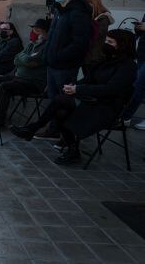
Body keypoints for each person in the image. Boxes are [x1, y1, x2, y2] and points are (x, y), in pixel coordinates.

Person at [11, 29, 137, 165]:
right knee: (61, 110)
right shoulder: (104, 61)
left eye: (110, 42)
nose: (106, 44)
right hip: (92, 100)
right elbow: (88, 79)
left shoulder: (128, 67)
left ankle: (34, 129)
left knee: (61, 102)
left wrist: (78, 89)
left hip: (107, 107)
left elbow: (111, 89)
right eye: (106, 41)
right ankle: (71, 150)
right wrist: (73, 86)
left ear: (122, 45)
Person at [39, 0, 92, 140]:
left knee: (63, 101)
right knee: (53, 100)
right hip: (52, 64)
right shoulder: (59, 11)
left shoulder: (78, 13)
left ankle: (67, 135)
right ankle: (56, 130)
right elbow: (53, 37)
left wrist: (58, 56)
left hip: (65, 66)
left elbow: (80, 43)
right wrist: (48, 54)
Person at [0, 19, 49, 128]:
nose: (34, 32)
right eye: (33, 29)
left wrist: (24, 59)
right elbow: (17, 59)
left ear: (45, 32)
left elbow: (29, 62)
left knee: (5, 86)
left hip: (32, 82)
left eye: (37, 30)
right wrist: (25, 59)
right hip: (17, 76)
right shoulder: (32, 45)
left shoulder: (46, 47)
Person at [83, 0, 115, 74]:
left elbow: (97, 35)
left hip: (95, 56)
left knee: (91, 80)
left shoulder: (103, 18)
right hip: (87, 56)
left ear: (93, 4)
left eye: (88, 4)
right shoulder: (91, 16)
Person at [124, 15, 145, 128]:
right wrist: (138, 28)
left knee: (138, 86)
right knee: (134, 85)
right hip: (141, 54)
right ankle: (125, 116)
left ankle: (125, 117)